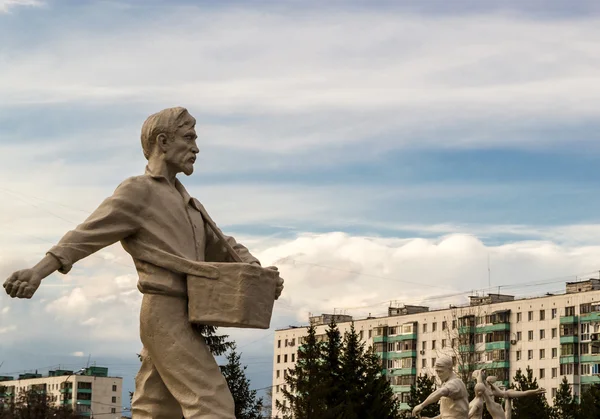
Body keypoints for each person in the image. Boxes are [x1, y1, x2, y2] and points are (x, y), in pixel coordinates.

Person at [3, 107, 284, 419]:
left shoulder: (190, 203)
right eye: (189, 138)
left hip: (188, 312)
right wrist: (38, 271)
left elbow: (225, 246)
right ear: (163, 142)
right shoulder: (138, 191)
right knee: (211, 401)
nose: (196, 148)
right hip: (164, 309)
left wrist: (261, 275)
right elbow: (86, 235)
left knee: (155, 407)